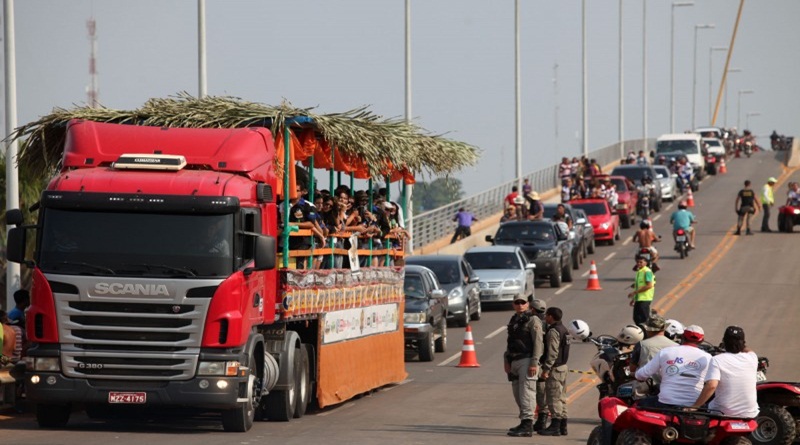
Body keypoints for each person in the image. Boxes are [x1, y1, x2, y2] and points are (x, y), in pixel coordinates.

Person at [634, 325, 712, 408]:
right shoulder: (708, 357)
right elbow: (712, 383)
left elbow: (640, 375)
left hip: (665, 402)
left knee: (638, 404)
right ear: (702, 341)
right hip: (693, 405)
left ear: (682, 336)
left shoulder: (666, 352)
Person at [690, 326, 759, 418]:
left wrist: (694, 407)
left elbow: (711, 385)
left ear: (724, 341)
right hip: (750, 414)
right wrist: (741, 345)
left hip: (722, 413)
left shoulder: (717, 360)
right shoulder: (752, 357)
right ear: (743, 342)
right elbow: (749, 350)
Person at [505, 296, 544, 437]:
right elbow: (510, 341)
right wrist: (507, 360)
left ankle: (527, 425)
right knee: (517, 393)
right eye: (517, 302)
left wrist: (534, 362)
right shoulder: (514, 320)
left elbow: (538, 343)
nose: (520, 305)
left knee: (527, 392)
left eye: (523, 302)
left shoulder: (533, 320)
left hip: (527, 360)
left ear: (528, 304)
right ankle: (524, 421)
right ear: (513, 304)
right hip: (514, 360)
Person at [538, 307, 570, 436]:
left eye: (547, 316)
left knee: (553, 398)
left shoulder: (554, 331)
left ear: (551, 316)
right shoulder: (564, 329)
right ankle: (563, 426)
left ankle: (555, 426)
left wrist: (546, 369)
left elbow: (552, 352)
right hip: (563, 367)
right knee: (561, 398)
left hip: (555, 368)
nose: (545, 318)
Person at [529, 299, 549, 432]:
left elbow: (538, 344)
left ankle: (542, 420)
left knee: (540, 391)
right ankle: (541, 419)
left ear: (532, 309)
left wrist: (535, 362)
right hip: (544, 361)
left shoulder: (537, 322)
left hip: (540, 362)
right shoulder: (547, 322)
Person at [627, 255, 655, 326]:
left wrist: (634, 292)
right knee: (636, 318)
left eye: (641, 262)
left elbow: (649, 285)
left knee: (644, 319)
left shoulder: (647, 271)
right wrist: (634, 299)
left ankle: (647, 334)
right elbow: (639, 285)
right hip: (639, 298)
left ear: (645, 263)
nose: (638, 263)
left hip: (645, 298)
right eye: (638, 262)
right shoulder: (639, 271)